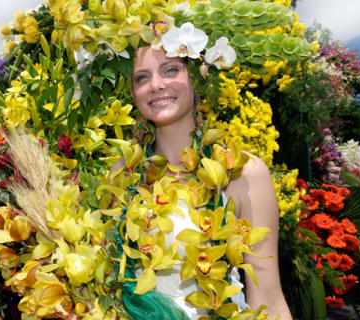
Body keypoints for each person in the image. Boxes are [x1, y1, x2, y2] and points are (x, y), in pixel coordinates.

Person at [110, 45, 293, 319]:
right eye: (142, 77)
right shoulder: (124, 172)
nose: (156, 85)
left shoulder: (243, 172)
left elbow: (267, 294)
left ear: (198, 75)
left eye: (170, 70)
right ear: (133, 93)